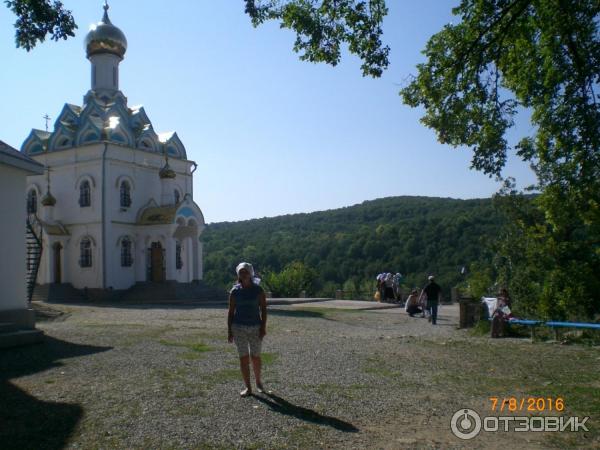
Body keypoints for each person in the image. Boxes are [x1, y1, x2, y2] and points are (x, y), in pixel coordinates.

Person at [227, 262, 268, 397]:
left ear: (251, 273)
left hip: (255, 327)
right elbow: (231, 312)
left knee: (255, 357)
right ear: (238, 274)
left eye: (246, 271)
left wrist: (263, 327)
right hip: (238, 328)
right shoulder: (235, 291)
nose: (244, 274)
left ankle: (258, 382)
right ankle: (248, 387)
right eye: (241, 272)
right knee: (243, 358)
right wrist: (229, 331)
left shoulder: (258, 290)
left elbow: (263, 309)